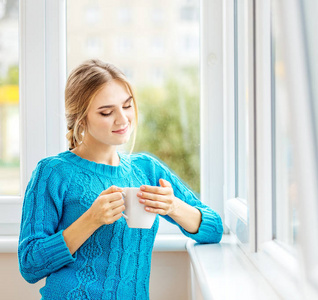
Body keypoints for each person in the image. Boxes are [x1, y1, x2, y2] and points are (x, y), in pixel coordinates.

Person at [18, 59, 223, 299]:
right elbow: (30, 265)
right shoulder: (53, 173)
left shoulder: (147, 169)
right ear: (81, 119)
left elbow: (214, 229)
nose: (123, 119)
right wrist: (91, 220)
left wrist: (173, 206)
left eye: (127, 106)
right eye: (107, 112)